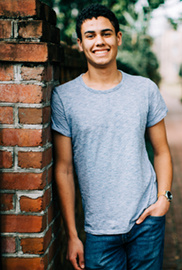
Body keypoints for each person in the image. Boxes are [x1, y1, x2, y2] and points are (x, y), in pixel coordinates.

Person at [51, 3, 173, 270]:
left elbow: (162, 150)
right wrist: (73, 235)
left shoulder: (144, 90)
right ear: (81, 44)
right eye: (90, 35)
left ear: (118, 38)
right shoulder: (64, 97)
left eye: (106, 33)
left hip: (147, 221)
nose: (99, 41)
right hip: (98, 232)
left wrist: (163, 198)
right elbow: (64, 169)